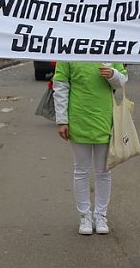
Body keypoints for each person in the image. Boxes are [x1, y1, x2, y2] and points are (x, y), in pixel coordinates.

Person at [53, 61, 128, 235]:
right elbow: (60, 86)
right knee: (81, 170)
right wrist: (62, 120)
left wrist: (113, 75)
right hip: (78, 118)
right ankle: (85, 216)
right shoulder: (69, 51)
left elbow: (123, 80)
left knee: (104, 171)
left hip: (104, 119)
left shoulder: (109, 49)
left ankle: (101, 215)